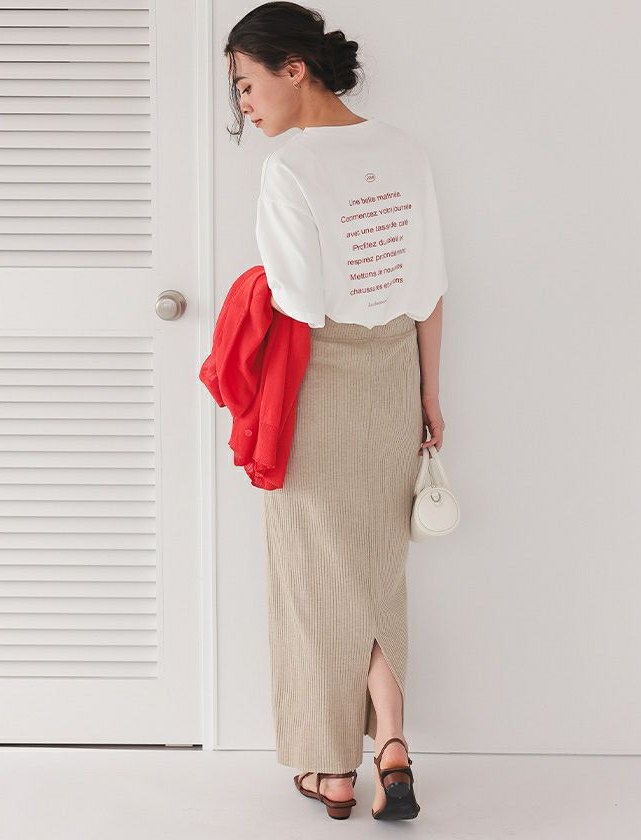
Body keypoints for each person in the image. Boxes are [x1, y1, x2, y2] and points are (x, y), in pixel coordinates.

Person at [224, 1, 448, 822]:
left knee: (315, 578)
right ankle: (393, 743)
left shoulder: (289, 169)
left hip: (317, 386)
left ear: (294, 70)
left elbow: (299, 302)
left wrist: (253, 285)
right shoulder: (403, 149)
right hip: (392, 376)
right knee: (376, 576)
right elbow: (430, 287)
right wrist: (429, 394)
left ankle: (333, 772)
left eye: (246, 84)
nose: (244, 105)